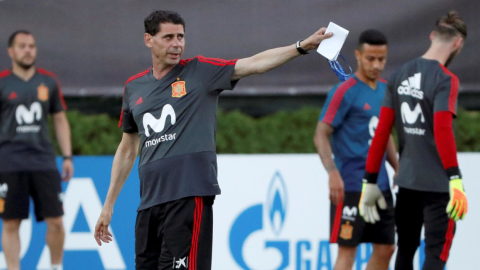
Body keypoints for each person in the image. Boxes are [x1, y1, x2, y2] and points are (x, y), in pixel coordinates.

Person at [93, 10, 332, 270]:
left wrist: (301, 47)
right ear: (149, 40)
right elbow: (128, 149)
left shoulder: (200, 71)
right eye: (168, 37)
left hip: (188, 195)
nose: (177, 44)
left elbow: (254, 63)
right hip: (149, 202)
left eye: (181, 37)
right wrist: (108, 206)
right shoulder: (134, 87)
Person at [358, 11, 468, 270]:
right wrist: (455, 178)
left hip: (406, 185)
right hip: (439, 189)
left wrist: (369, 181)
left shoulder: (398, 74)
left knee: (405, 252)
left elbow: (381, 133)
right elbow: (442, 129)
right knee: (435, 255)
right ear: (458, 43)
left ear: (432, 36)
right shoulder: (446, 79)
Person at [314, 30, 399, 270]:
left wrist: (398, 167)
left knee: (386, 248)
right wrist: (332, 173)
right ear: (358, 56)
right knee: (348, 250)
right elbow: (321, 133)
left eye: (381, 59)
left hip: (380, 184)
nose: (376, 64)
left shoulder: (386, 89)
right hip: (351, 185)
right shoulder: (344, 91)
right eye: (370, 58)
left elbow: (385, 134)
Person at [0, 30, 74, 270]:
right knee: (11, 223)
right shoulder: (2, 82)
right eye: (22, 46)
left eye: (31, 46)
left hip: (43, 160)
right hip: (9, 162)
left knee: (56, 221)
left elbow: (60, 120)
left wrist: (67, 156)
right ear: (11, 51)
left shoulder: (48, 81)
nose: (28, 50)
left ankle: (55, 267)